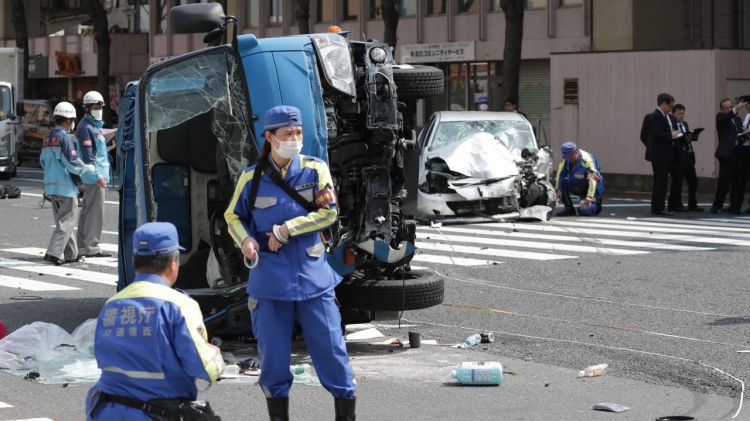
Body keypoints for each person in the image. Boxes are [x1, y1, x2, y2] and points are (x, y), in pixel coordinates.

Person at [224, 105, 356, 421]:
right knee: (272, 361)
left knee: (333, 353)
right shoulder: (250, 178)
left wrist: (286, 229)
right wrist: (245, 240)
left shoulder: (314, 170)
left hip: (314, 279)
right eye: (287, 134)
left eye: (298, 133)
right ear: (269, 137)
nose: (295, 139)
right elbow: (232, 216)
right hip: (270, 284)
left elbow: (329, 212)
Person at [85, 222, 224, 420]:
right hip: (157, 414)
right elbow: (203, 367)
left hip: (106, 411)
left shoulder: (111, 305)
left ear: (135, 260)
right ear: (173, 262)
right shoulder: (179, 305)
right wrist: (215, 355)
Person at [39, 102, 101, 266]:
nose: (73, 123)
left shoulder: (47, 138)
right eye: (72, 120)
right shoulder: (65, 138)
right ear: (67, 120)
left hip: (51, 186)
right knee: (66, 222)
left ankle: (71, 254)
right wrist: (88, 169)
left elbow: (43, 161)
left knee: (66, 220)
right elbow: (72, 163)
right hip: (65, 187)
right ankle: (53, 253)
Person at [76, 91, 112, 258]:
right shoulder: (86, 127)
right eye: (96, 106)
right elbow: (88, 155)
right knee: (95, 211)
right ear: (87, 108)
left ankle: (83, 245)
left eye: (101, 106)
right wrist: (98, 176)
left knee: (88, 210)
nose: (99, 109)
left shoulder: (93, 126)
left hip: (94, 175)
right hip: (94, 176)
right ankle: (92, 246)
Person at [647, 93, 682, 216]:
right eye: (670, 106)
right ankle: (658, 208)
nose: (671, 109)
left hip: (666, 154)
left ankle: (659, 206)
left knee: (662, 181)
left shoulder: (664, 116)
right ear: (663, 104)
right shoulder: (656, 116)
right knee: (660, 182)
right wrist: (671, 135)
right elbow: (657, 134)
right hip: (660, 155)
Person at [711, 98, 746, 214]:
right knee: (724, 181)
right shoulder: (720, 117)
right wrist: (736, 109)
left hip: (738, 152)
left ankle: (735, 206)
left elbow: (739, 132)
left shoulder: (737, 119)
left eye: (731, 107)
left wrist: (745, 133)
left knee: (738, 181)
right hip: (726, 153)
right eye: (726, 108)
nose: (729, 109)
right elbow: (725, 119)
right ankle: (717, 205)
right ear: (721, 109)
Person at [554, 141, 603, 216]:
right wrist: (558, 189)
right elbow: (560, 174)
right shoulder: (566, 160)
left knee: (583, 211)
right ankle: (569, 208)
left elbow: (593, 178)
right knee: (562, 183)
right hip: (578, 185)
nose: (568, 159)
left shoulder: (587, 160)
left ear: (575, 152)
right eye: (566, 157)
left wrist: (589, 196)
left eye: (569, 157)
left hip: (591, 188)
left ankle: (596, 204)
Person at [672, 104, 702, 211]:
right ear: (673, 113)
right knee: (678, 181)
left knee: (693, 180)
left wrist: (691, 136)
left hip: (689, 154)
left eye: (683, 113)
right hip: (679, 156)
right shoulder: (672, 125)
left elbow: (687, 138)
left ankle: (692, 204)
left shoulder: (685, 124)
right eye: (679, 113)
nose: (681, 116)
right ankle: (677, 204)